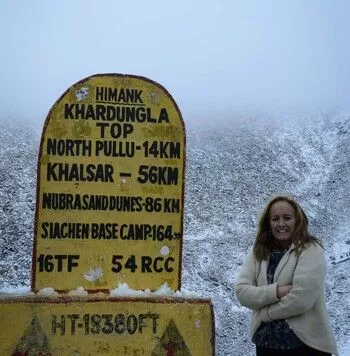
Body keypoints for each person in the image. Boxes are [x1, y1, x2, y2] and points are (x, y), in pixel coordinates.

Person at [235, 195, 338, 356]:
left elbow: (301, 300)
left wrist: (264, 313)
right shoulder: (258, 251)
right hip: (266, 345)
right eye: (275, 219)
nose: (281, 224)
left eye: (287, 218)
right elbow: (242, 292)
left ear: (298, 220)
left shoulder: (311, 249)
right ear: (268, 223)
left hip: (306, 346)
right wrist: (277, 292)